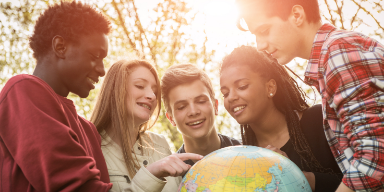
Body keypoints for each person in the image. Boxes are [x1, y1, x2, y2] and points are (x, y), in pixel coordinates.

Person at [236, 0, 384, 191]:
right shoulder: (334, 54)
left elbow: (374, 160)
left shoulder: (338, 54)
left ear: (297, 15)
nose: (260, 45)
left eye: (264, 31)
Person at [0, 1, 113, 191]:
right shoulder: (22, 90)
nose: (102, 71)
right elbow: (76, 186)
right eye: (95, 56)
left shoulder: (89, 130)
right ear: (61, 47)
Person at [220, 45, 343, 191]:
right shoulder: (243, 155)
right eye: (225, 93)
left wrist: (293, 174)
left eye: (242, 86)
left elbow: (367, 181)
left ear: (270, 87)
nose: (231, 98)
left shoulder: (320, 120)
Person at [90, 59, 202, 192]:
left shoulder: (160, 144)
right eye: (140, 86)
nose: (152, 96)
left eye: (155, 91)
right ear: (115, 89)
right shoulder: (90, 149)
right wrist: (152, 174)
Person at [161, 64, 241, 171]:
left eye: (201, 101)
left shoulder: (249, 153)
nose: (193, 112)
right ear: (171, 119)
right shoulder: (170, 179)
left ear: (215, 106)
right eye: (182, 107)